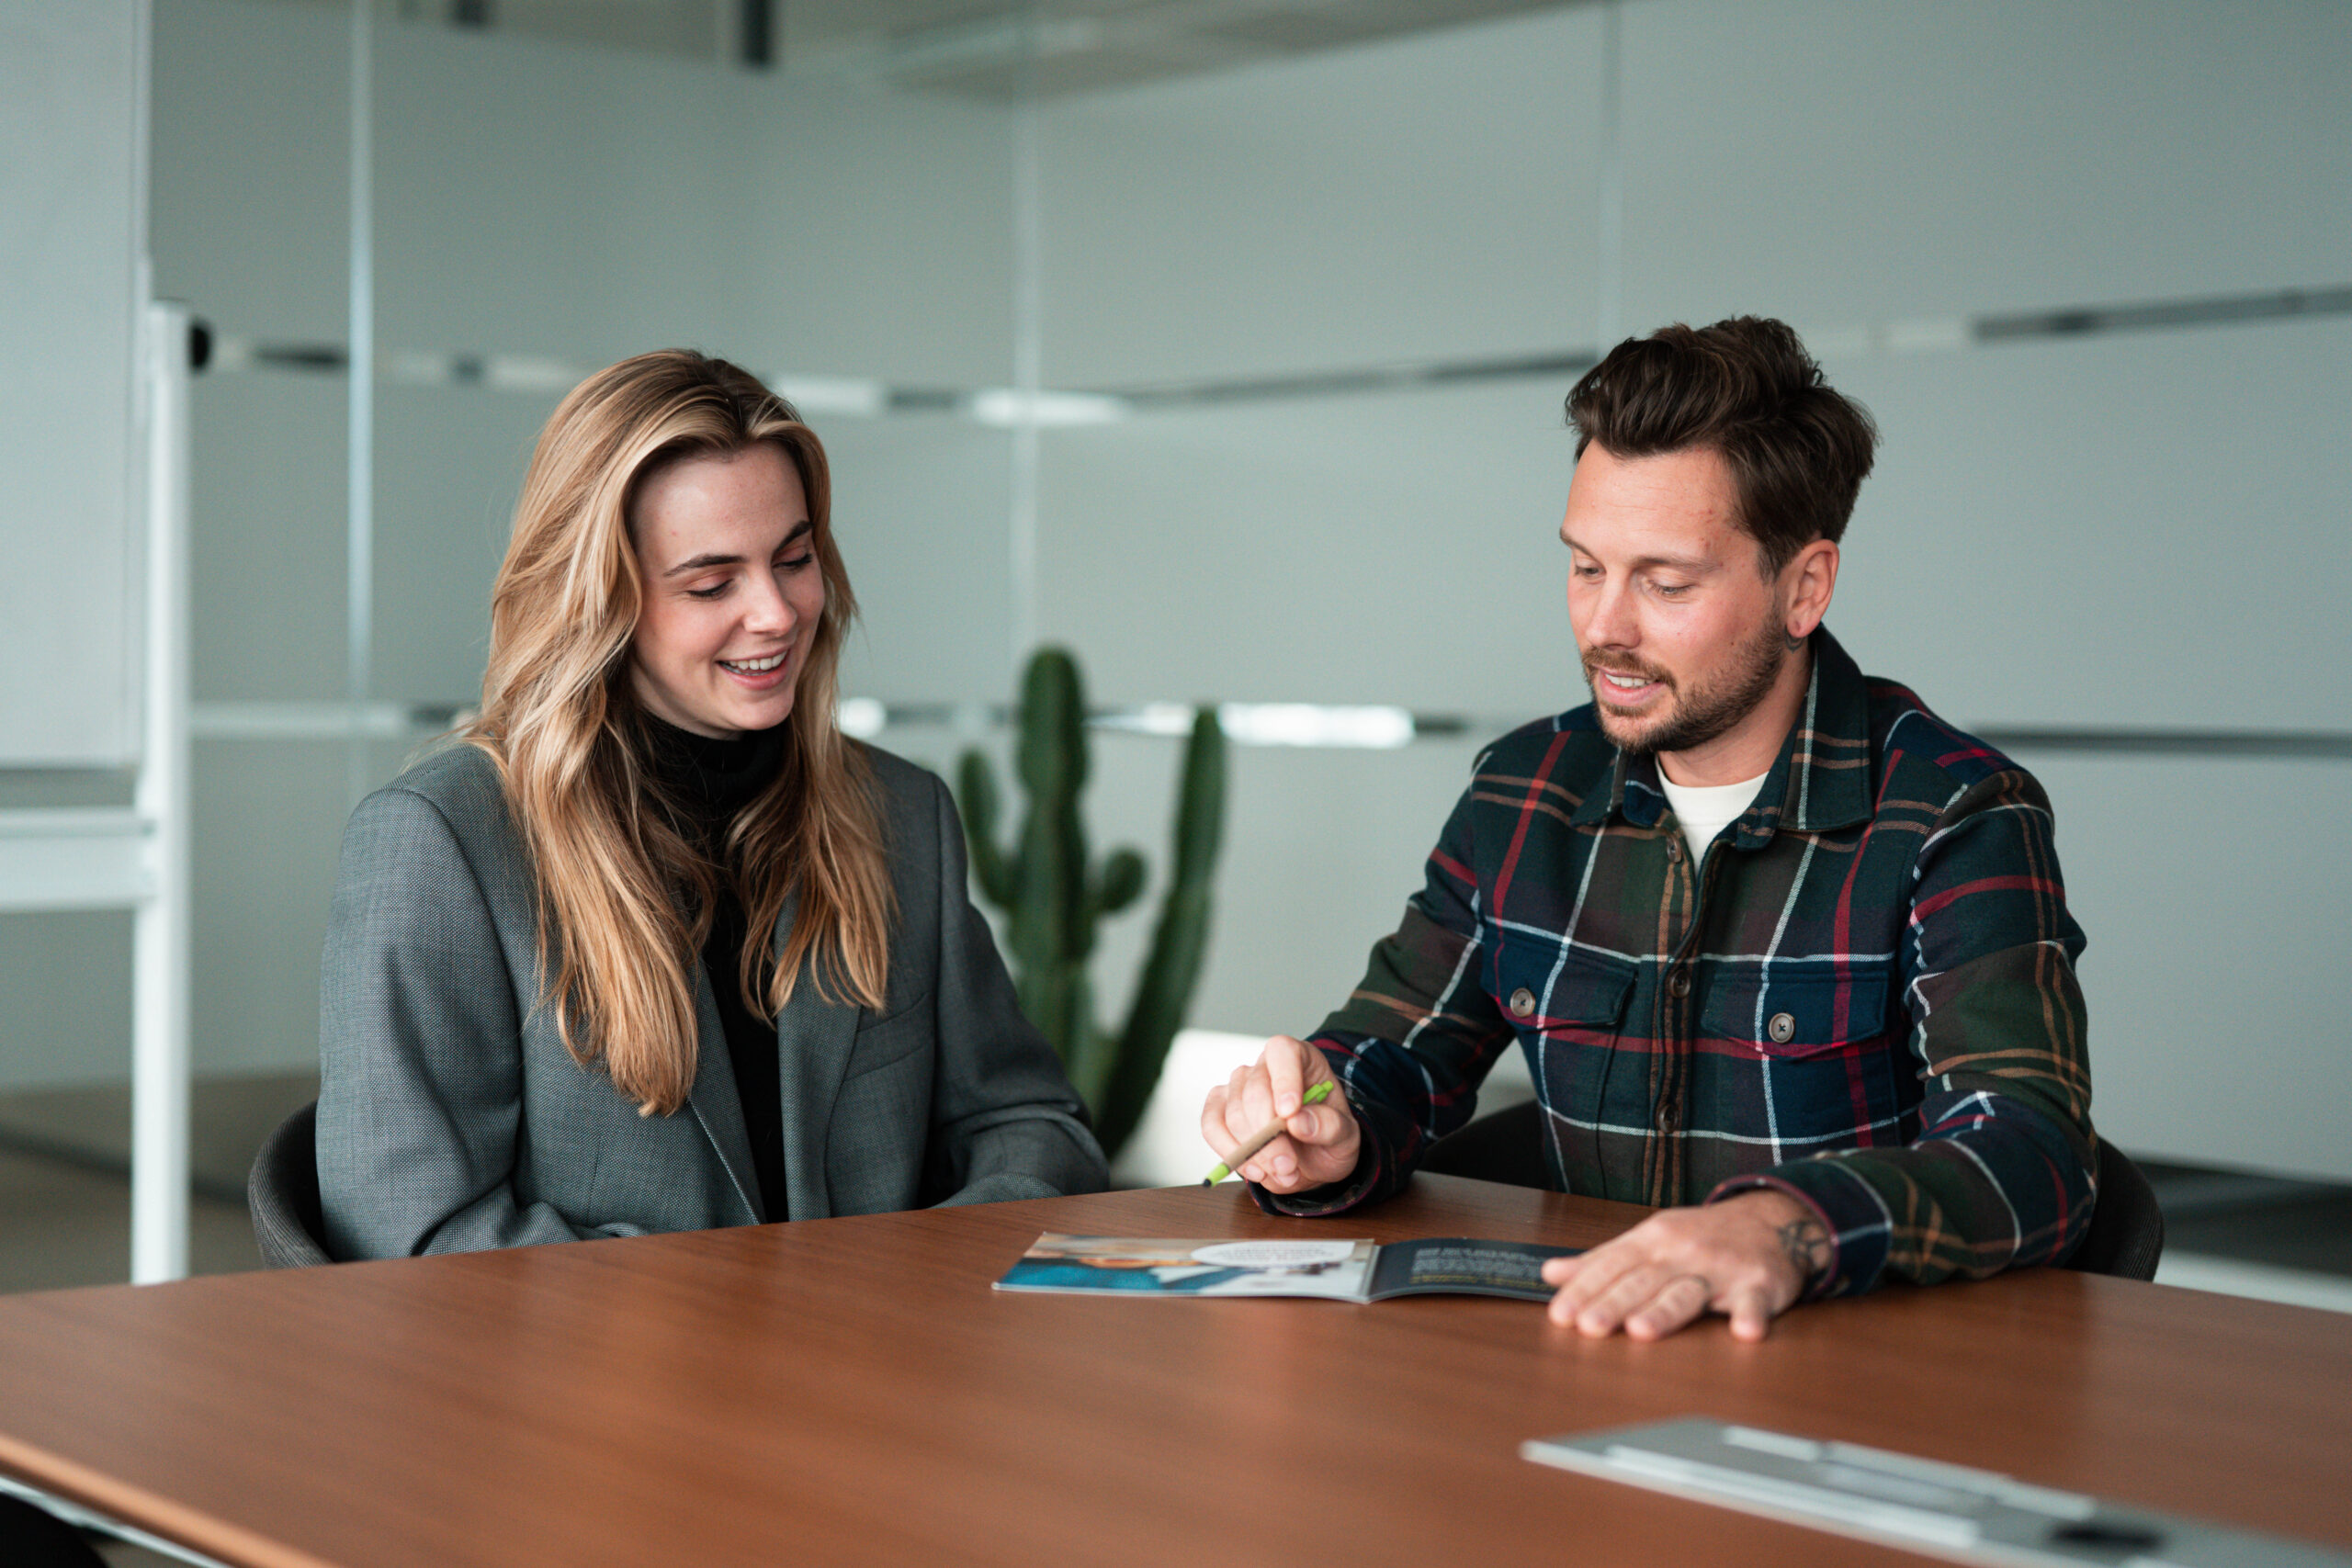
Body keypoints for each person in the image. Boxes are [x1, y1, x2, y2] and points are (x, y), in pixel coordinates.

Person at [1201, 317, 2094, 1342]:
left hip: (1846, 1375)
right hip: (1587, 1354)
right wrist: (1330, 1130)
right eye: (1586, 567)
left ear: (1803, 587)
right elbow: (1389, 1052)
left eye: (1665, 583)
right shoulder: (1523, 790)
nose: (1603, 628)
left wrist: (1785, 1228)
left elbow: (2030, 1152)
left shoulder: (1955, 811)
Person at [317, 350, 1106, 1258]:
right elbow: (408, 1235)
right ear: (597, 600)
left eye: (795, 559)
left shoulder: (902, 814)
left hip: (880, 1380)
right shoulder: (440, 842)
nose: (775, 612)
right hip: (590, 1398)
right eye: (710, 582)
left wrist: (922, 1284)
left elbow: (1028, 1120)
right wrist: (719, 1333)